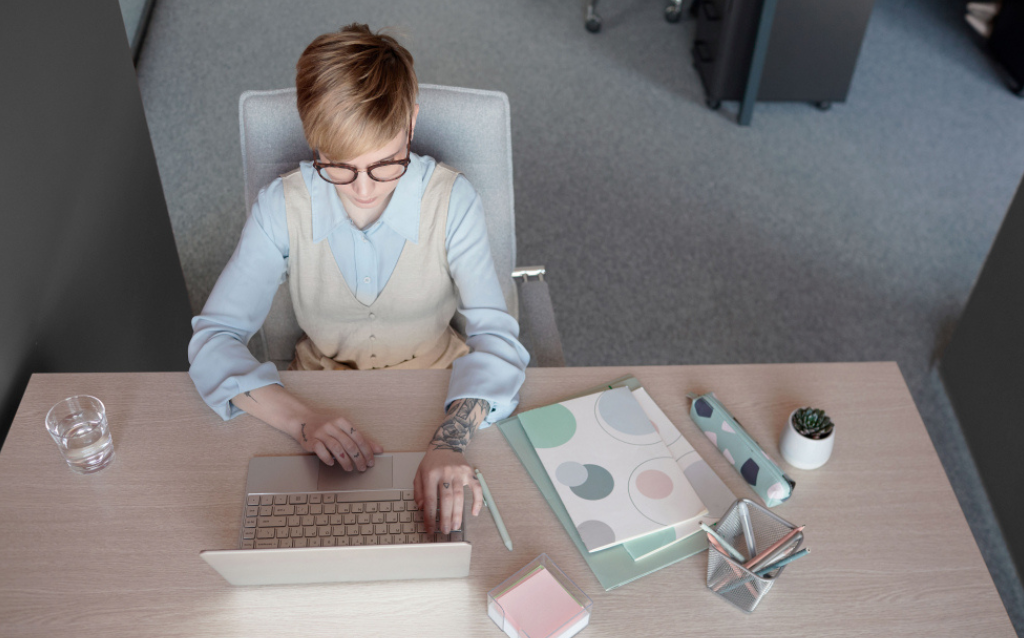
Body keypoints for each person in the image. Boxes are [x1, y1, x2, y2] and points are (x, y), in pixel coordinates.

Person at [187, 24, 529, 536]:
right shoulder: (282, 208)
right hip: (319, 399)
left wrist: (450, 442)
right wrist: (300, 421)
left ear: (410, 125)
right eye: (340, 167)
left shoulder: (452, 202)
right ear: (314, 140)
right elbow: (214, 339)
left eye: (386, 164)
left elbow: (496, 339)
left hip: (441, 395)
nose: (364, 190)